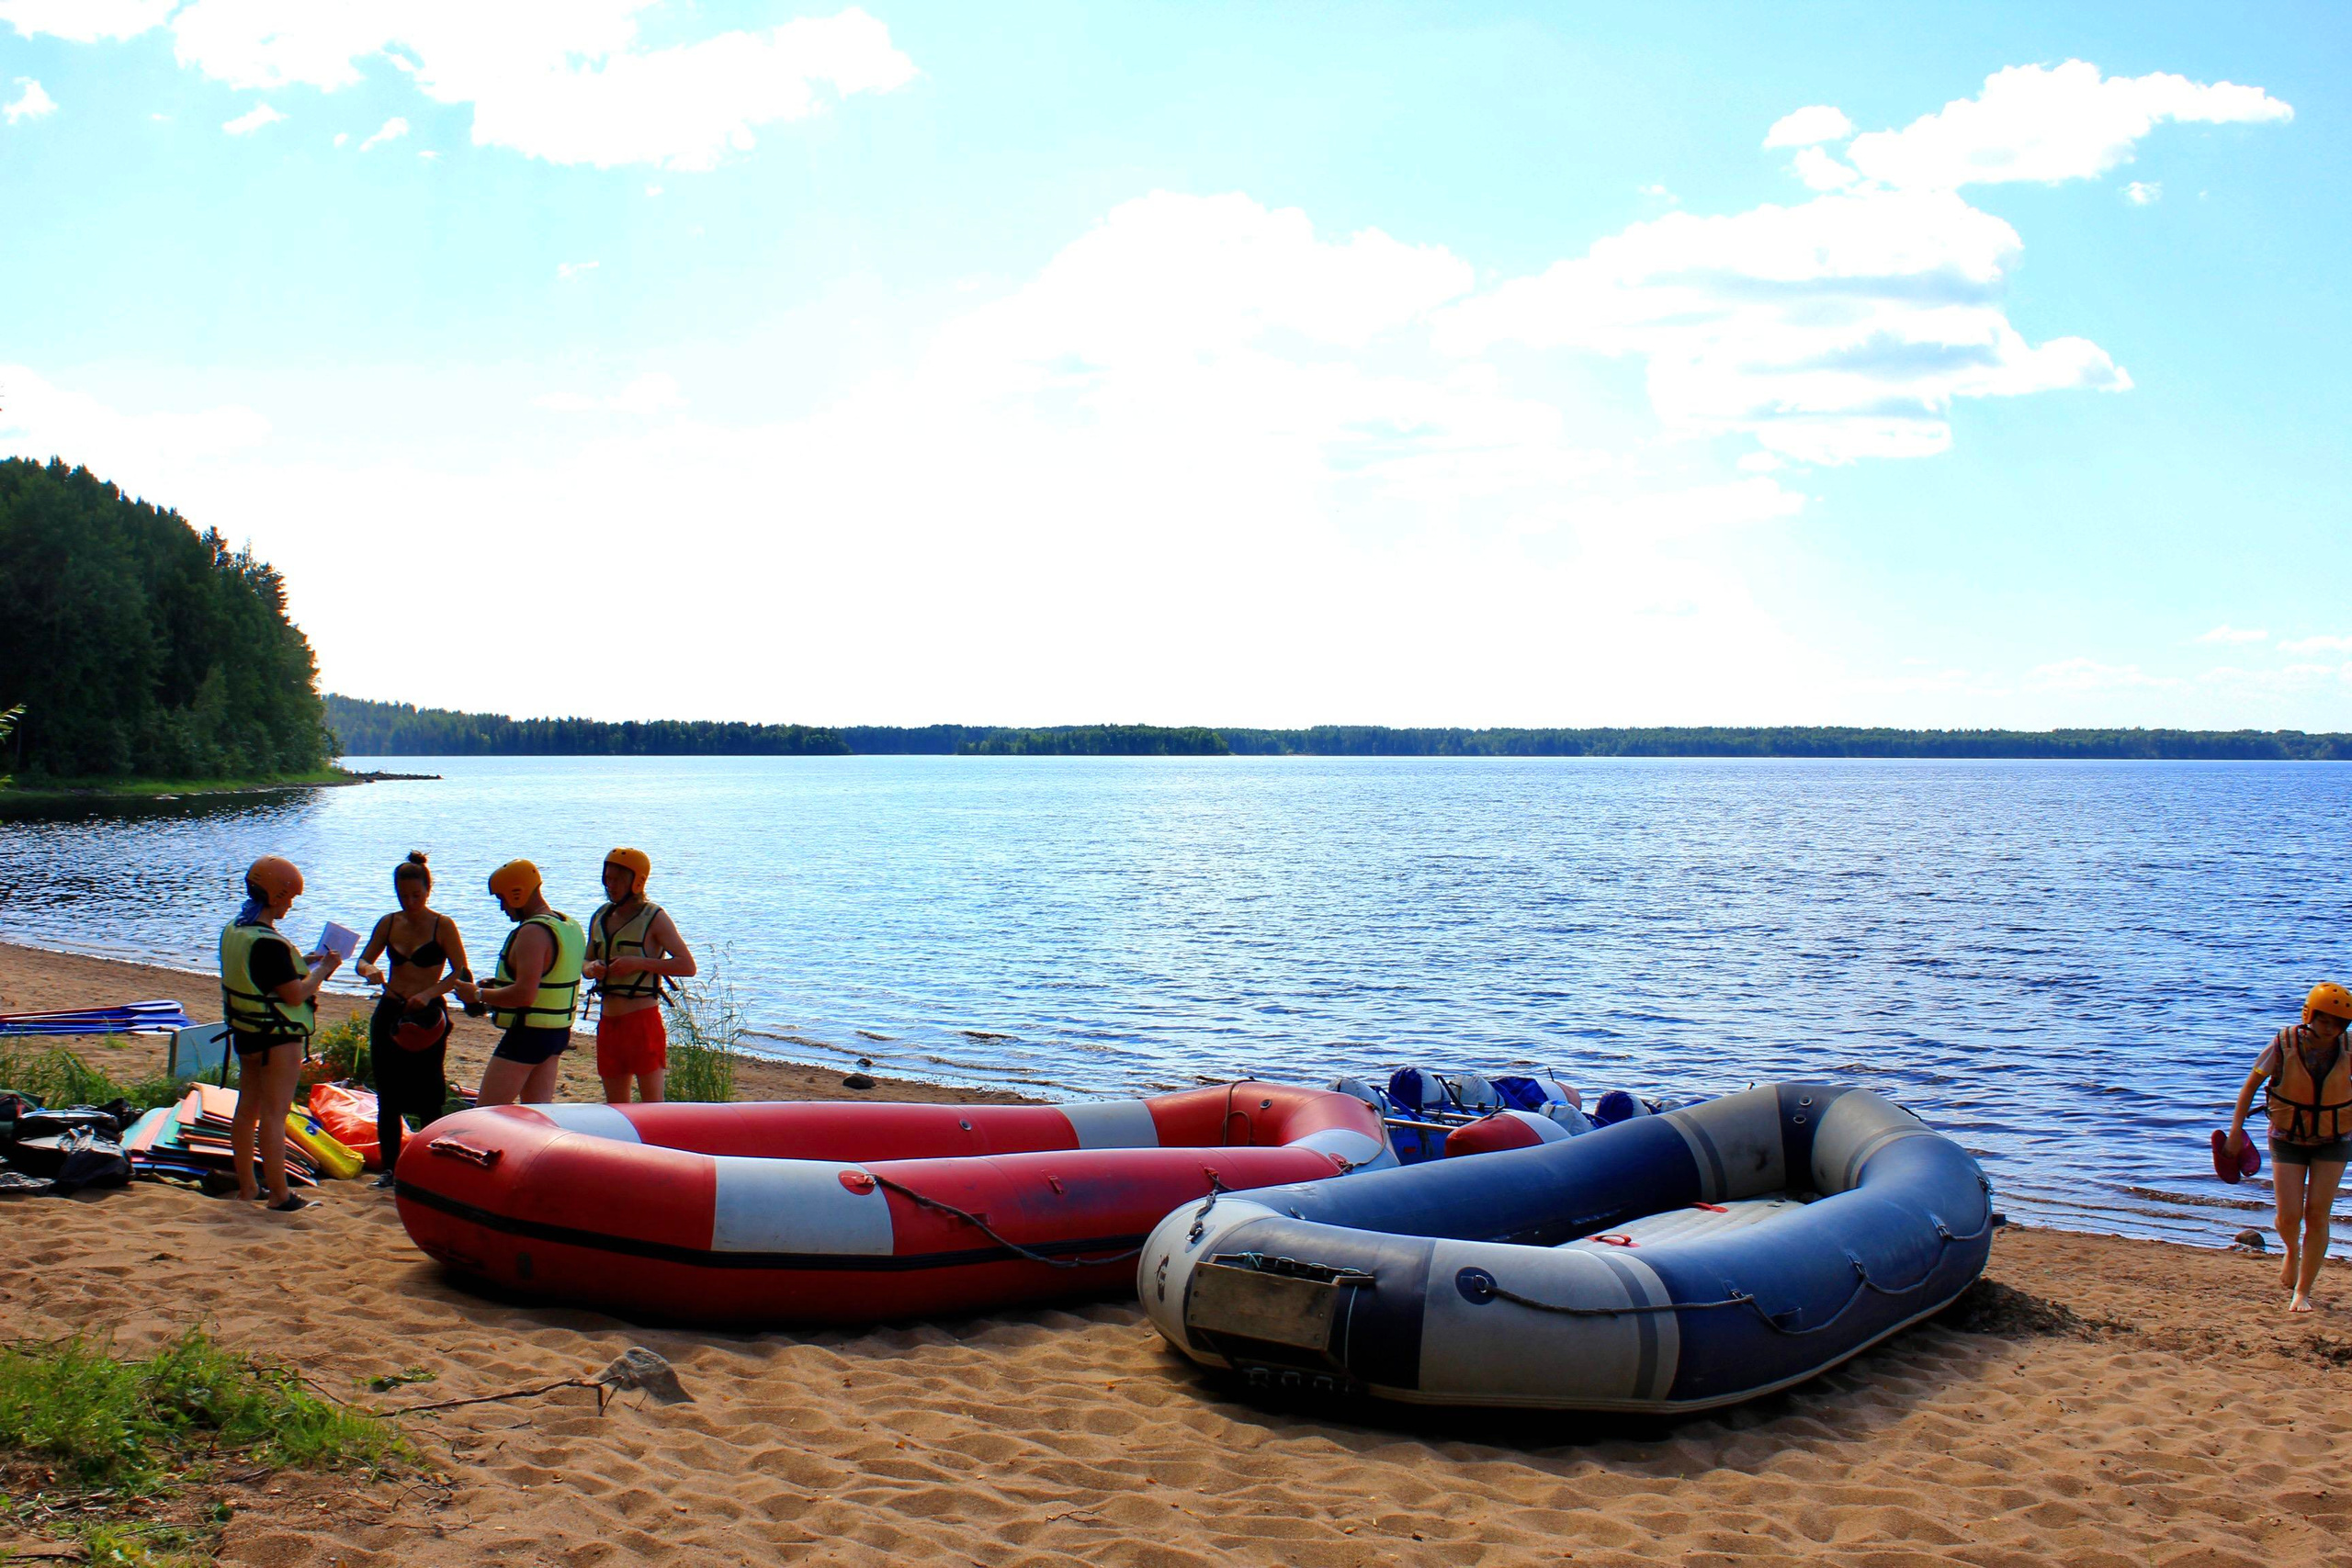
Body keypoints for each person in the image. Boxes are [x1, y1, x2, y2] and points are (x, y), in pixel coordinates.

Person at [219, 853, 341, 1212]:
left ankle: (247, 1189)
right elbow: (296, 994)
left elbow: (263, 973)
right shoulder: (270, 943)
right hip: (278, 1038)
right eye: (288, 897)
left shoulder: (236, 930)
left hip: (246, 1034)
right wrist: (326, 969)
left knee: (246, 1111)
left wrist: (306, 960)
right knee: (274, 1115)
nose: (290, 904)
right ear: (274, 895)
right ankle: (280, 1195)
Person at [2226, 981, 2352, 1313]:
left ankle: (2303, 1292)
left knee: (2317, 1214)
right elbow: (2251, 1086)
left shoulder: (2349, 1048)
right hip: (2287, 1140)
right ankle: (2290, 1250)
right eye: (2325, 1020)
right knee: (2288, 1216)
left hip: (2334, 1141)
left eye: (2339, 1024)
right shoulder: (2283, 1045)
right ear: (2309, 1014)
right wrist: (2236, 1130)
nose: (2331, 1029)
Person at [353, 852, 470, 1189]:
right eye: (403, 896)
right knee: (388, 1093)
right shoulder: (389, 922)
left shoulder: (442, 925)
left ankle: (429, 1164)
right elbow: (363, 960)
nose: (409, 901)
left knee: (430, 1091)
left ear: (428, 890)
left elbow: (460, 972)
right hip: (391, 1010)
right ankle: (390, 1169)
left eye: (415, 895)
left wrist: (431, 993)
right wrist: (369, 970)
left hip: (428, 1014)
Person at [453, 859, 584, 1107]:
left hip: (527, 1036)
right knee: (536, 1114)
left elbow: (525, 995)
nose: (502, 907)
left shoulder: (532, 932)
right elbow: (546, 978)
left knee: (486, 1113)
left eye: (502, 899)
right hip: (556, 1034)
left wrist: (478, 995)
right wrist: (497, 985)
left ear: (517, 893)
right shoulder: (568, 926)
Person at [582, 847, 697, 1104]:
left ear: (636, 881)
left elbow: (687, 966)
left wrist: (638, 963)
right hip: (609, 1024)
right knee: (616, 1106)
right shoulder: (601, 916)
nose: (610, 886)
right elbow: (585, 961)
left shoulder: (654, 917)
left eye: (617, 880)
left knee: (652, 1105)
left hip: (642, 1023)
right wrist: (592, 968)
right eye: (607, 878)